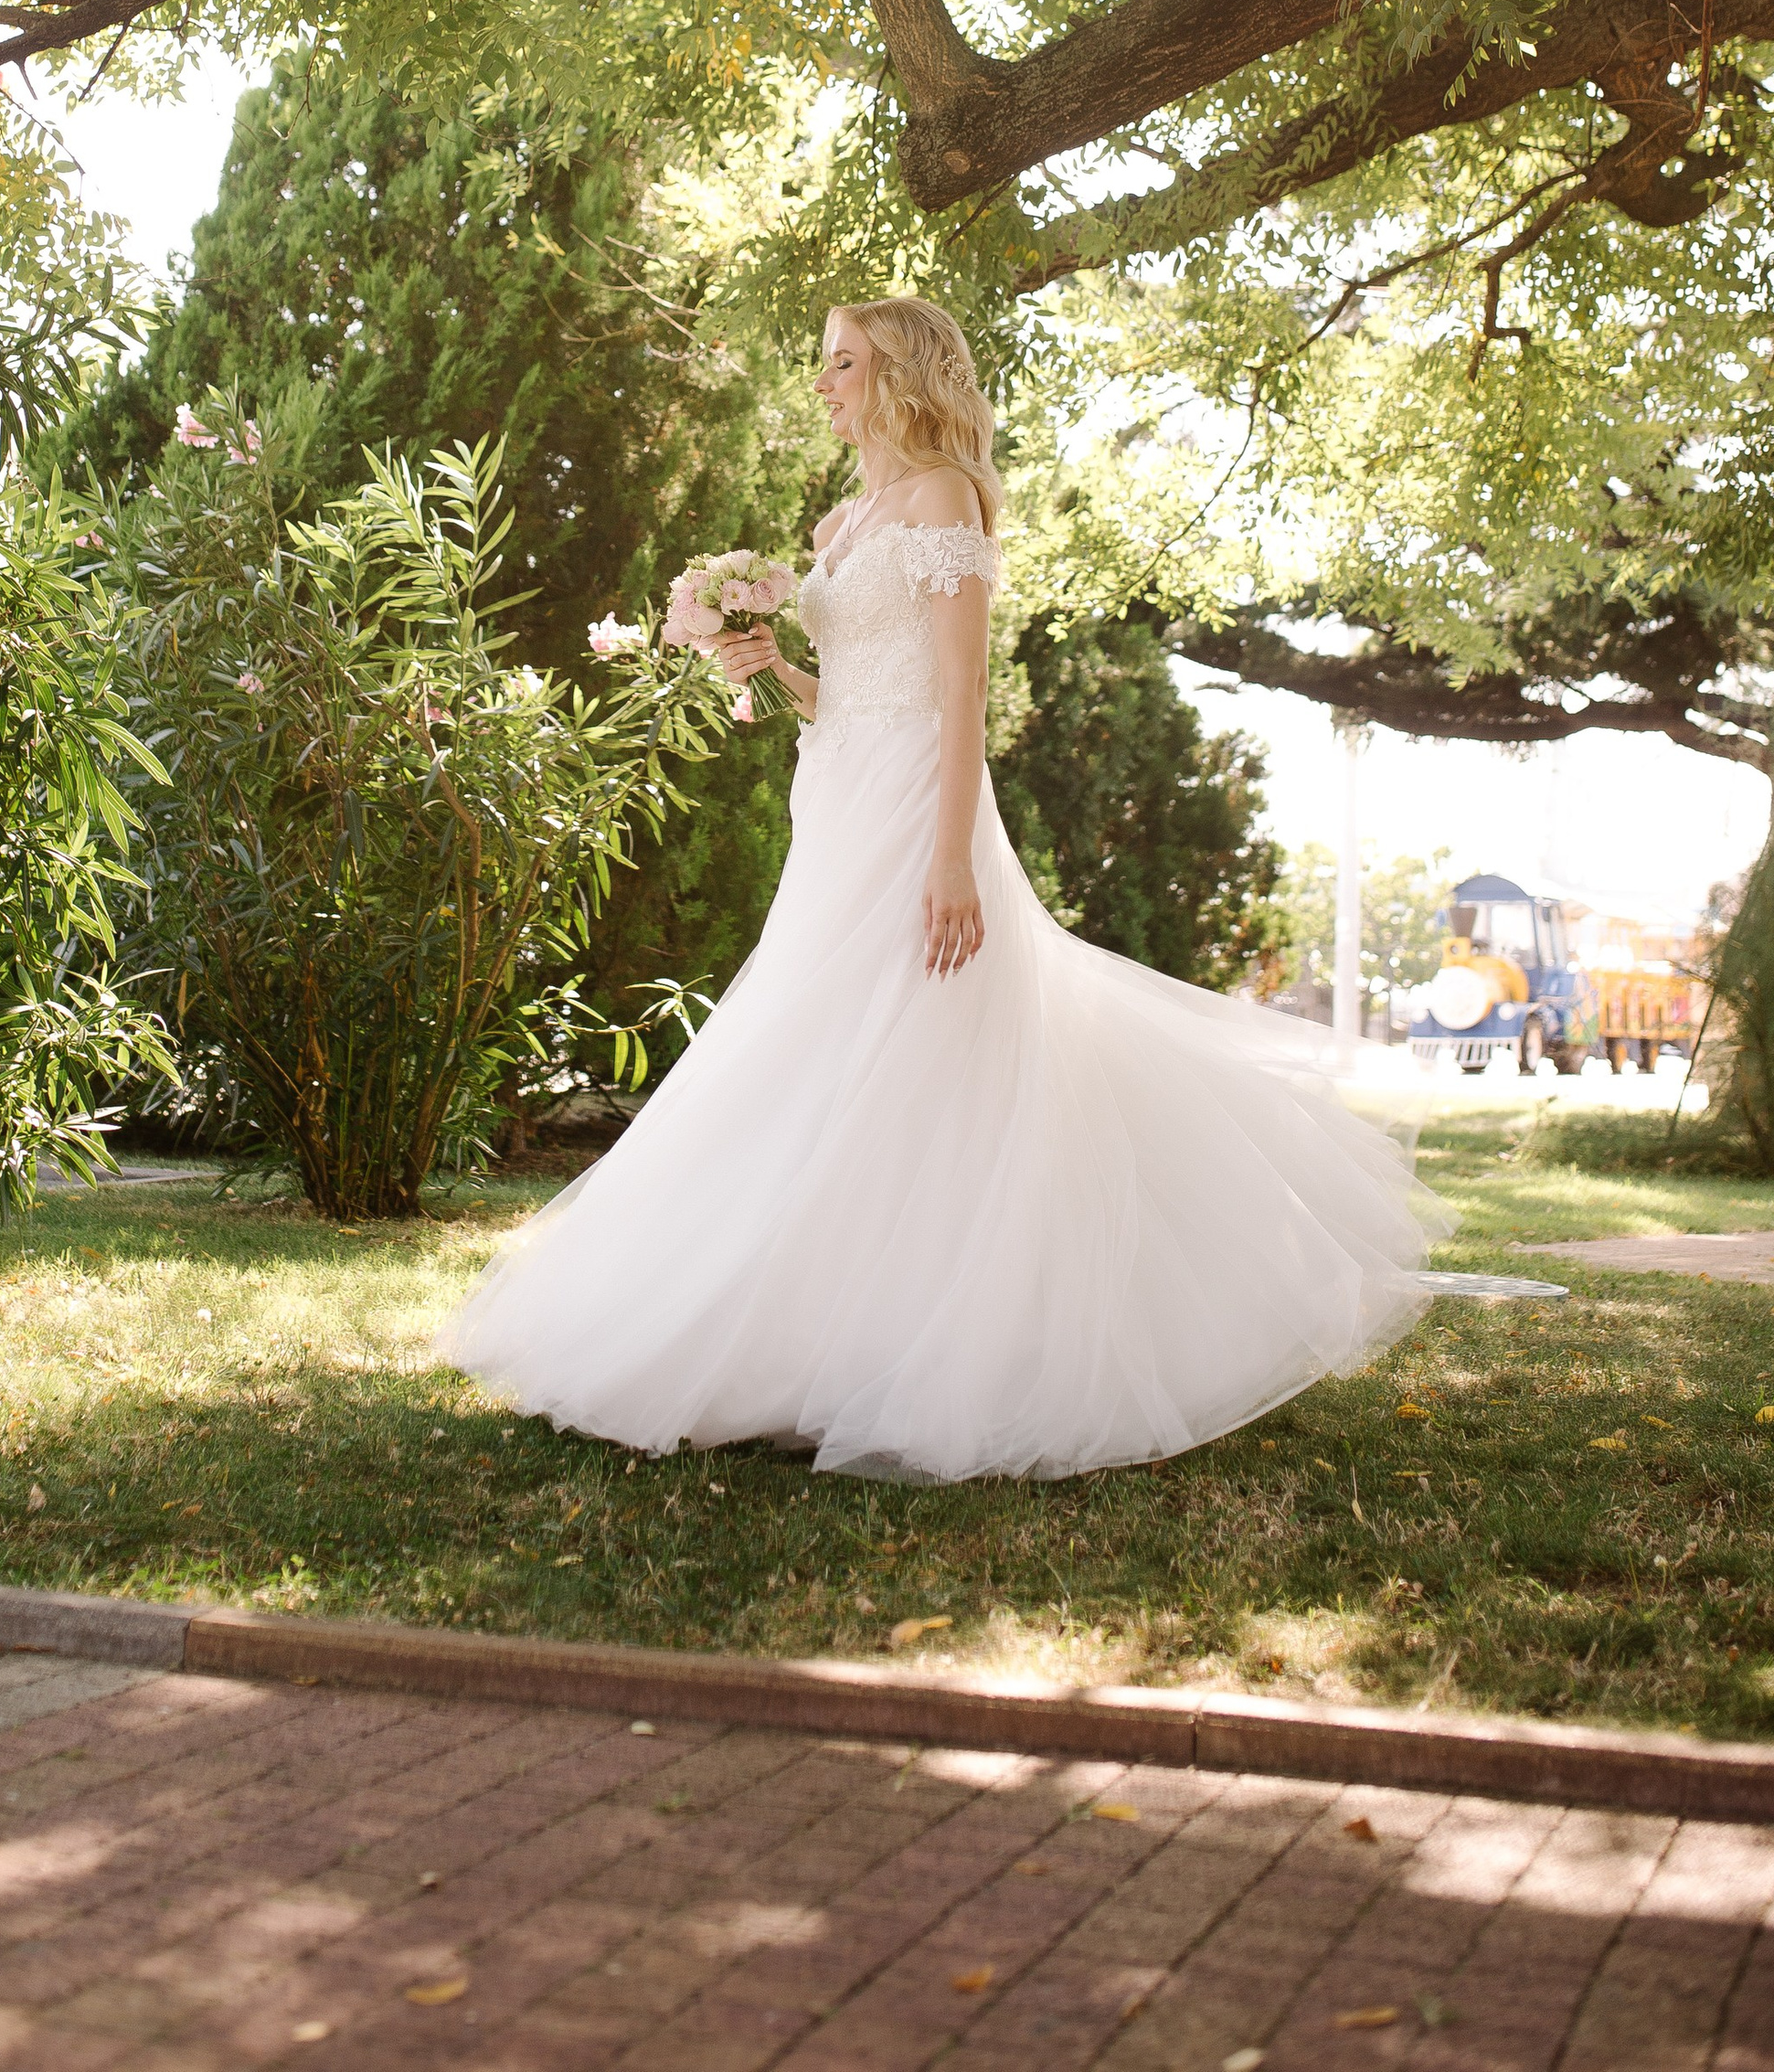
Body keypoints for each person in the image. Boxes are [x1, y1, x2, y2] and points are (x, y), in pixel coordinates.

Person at [438, 295, 1442, 1477]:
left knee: (920, 1054)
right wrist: (778, 667)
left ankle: (938, 1340)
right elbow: (857, 689)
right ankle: (814, 1333)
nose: (824, 384)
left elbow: (958, 697)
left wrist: (954, 858)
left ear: (902, 373)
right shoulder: (844, 520)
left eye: (844, 363)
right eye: (822, 364)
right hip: (842, 805)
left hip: (921, 809)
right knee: (823, 1053)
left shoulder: (942, 502)